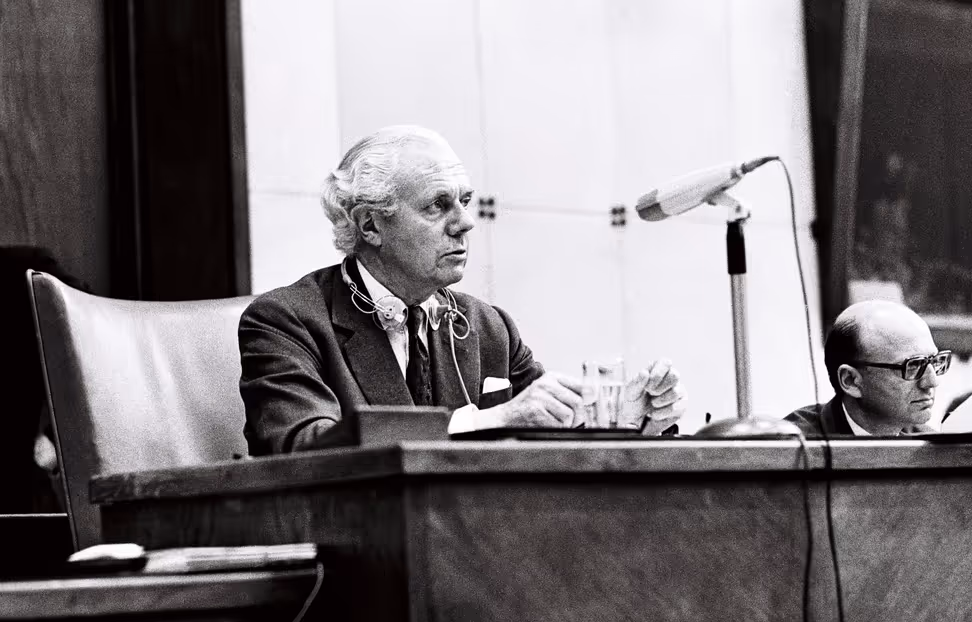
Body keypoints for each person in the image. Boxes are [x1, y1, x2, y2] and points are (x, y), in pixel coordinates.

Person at [239, 125, 687, 456]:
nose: (465, 222)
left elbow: (551, 437)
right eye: (438, 205)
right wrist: (489, 421)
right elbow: (300, 447)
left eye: (465, 201)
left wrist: (625, 419)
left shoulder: (489, 327)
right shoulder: (285, 319)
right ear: (370, 225)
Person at [784, 300, 950, 436]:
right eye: (913, 365)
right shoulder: (791, 450)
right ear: (851, 381)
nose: (932, 382)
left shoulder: (926, 444)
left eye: (935, 361)